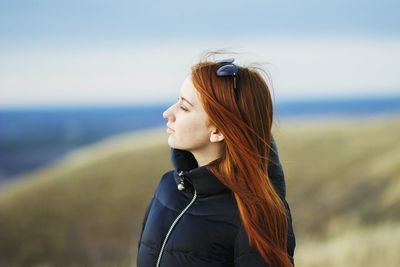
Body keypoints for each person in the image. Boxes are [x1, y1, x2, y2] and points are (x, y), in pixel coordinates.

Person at [136, 52, 296, 267]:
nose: (167, 113)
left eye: (184, 107)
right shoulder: (167, 187)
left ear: (218, 131)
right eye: (177, 101)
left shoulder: (258, 216)